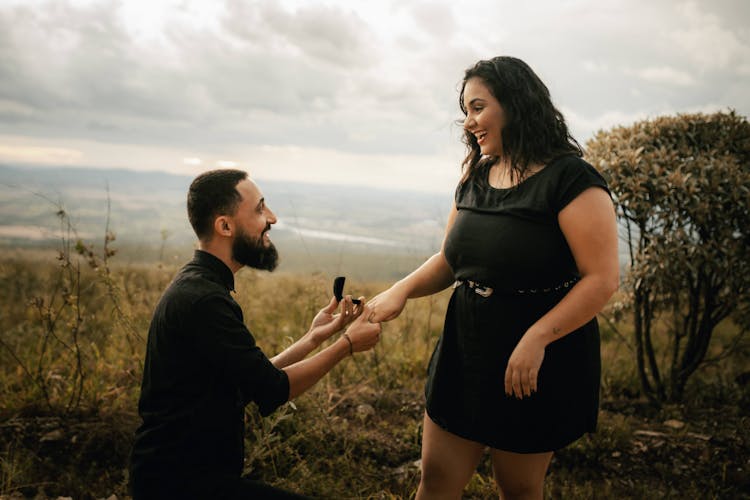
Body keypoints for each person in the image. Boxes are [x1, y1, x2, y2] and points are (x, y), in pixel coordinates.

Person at [367, 56, 619, 499]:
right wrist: (401, 290)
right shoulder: (477, 175)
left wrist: (538, 338)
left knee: (517, 488)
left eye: (478, 107)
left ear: (516, 104)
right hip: (467, 344)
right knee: (436, 478)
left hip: (535, 356)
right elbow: (452, 258)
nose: (469, 122)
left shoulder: (571, 180)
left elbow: (601, 280)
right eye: (466, 110)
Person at [129, 169, 381, 499]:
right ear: (225, 226)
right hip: (179, 485)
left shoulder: (201, 286)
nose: (272, 218)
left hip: (185, 478)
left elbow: (251, 380)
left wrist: (316, 336)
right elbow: (273, 390)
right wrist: (347, 345)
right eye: (260, 209)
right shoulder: (204, 300)